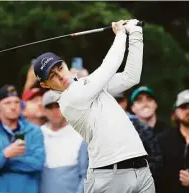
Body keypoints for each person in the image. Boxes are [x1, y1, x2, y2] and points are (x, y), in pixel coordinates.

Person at [34, 19, 155, 193]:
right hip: (109, 177)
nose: (60, 75)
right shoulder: (69, 100)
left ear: (65, 64)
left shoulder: (89, 85)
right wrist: (121, 34)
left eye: (60, 67)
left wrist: (135, 33)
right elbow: (109, 67)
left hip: (141, 170)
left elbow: (131, 76)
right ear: (45, 85)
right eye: (52, 76)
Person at [0, 84, 45, 193]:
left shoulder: (34, 131)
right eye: (7, 103)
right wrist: (5, 154)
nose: (13, 107)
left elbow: (37, 164)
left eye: (16, 102)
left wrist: (1, 158)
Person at [39, 91, 88, 193]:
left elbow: (85, 175)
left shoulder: (79, 135)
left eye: (58, 106)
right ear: (43, 110)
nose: (55, 111)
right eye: (50, 107)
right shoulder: (38, 134)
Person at [114, 92, 163, 187]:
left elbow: (157, 161)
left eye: (118, 101)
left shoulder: (142, 128)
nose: (114, 104)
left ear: (125, 103)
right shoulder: (99, 129)